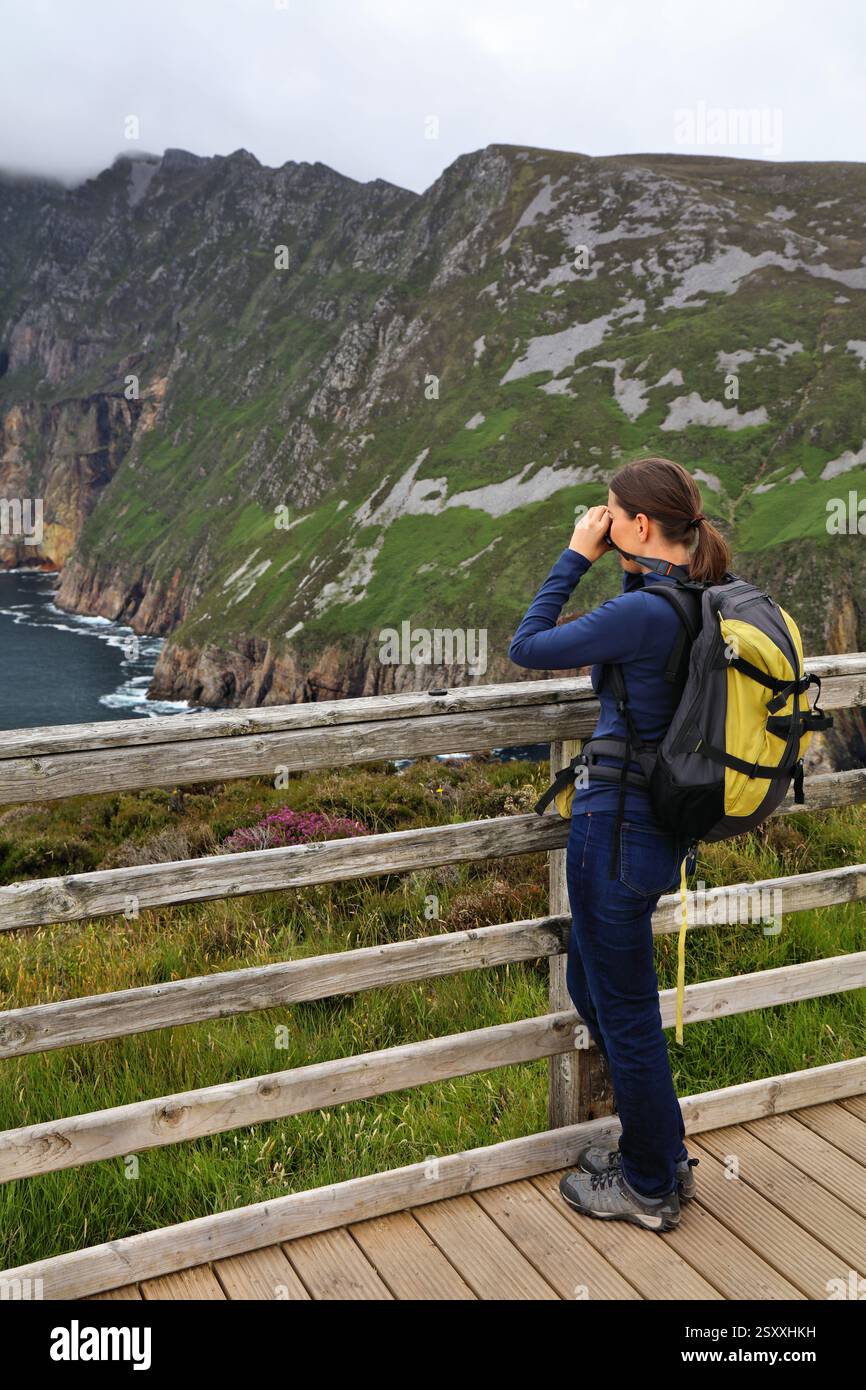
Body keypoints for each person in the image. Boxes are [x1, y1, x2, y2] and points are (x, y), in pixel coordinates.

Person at [508, 456, 732, 1233]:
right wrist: (627, 561)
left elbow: (528, 644)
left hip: (616, 829)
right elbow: (643, 653)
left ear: (638, 525)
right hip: (654, 826)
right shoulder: (693, 598)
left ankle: (645, 1186)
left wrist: (576, 554)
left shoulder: (645, 612)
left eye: (610, 512)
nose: (600, 521)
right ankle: (659, 1155)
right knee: (599, 994)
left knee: (625, 1009)